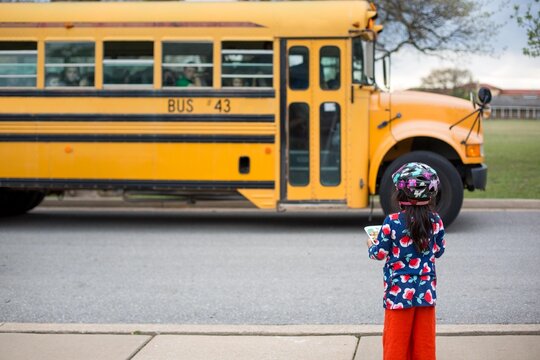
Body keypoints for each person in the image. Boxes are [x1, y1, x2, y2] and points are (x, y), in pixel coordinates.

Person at [367, 162, 446, 360]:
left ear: (400, 196)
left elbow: (380, 253)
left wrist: (371, 245)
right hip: (426, 292)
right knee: (424, 343)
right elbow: (438, 250)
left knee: (396, 343)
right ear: (431, 194)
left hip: (398, 294)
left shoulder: (391, 222)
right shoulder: (435, 221)